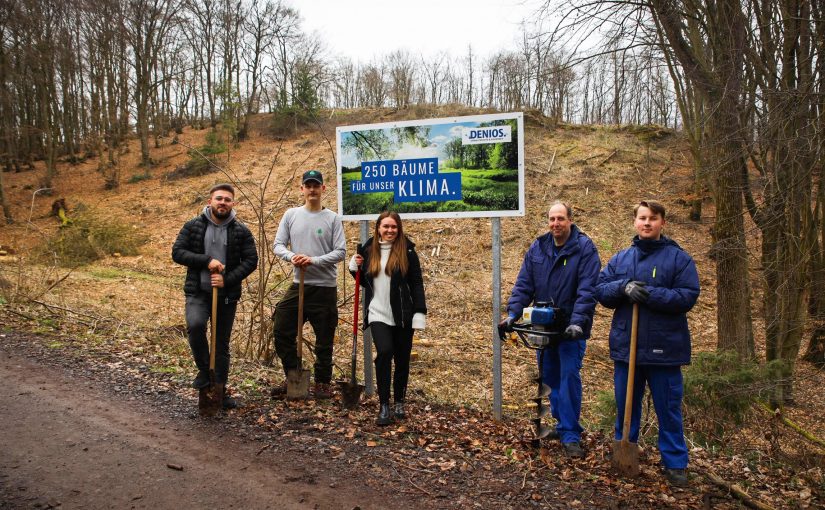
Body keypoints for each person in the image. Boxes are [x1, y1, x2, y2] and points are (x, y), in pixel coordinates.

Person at [594, 200, 700, 487]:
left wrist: (649, 294)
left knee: (668, 408)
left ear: (662, 222)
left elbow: (687, 296)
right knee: (625, 405)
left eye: (653, 218)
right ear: (635, 222)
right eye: (642, 218)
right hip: (627, 347)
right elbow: (601, 290)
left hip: (664, 349)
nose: (647, 223)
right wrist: (623, 287)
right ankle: (626, 450)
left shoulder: (679, 259)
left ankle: (675, 463)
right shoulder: (621, 259)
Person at [500, 201, 600, 457]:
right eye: (552, 219)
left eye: (560, 219)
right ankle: (560, 423)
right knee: (551, 379)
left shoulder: (584, 248)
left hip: (570, 329)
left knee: (568, 379)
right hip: (543, 327)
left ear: (570, 220)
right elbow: (524, 284)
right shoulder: (539, 247)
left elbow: (587, 290)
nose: (556, 224)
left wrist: (578, 322)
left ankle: (570, 434)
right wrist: (513, 314)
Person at [172, 183, 258, 409]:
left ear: (233, 204)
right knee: (196, 326)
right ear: (210, 201)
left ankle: (219, 390)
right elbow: (178, 252)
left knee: (221, 345)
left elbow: (251, 261)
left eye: (227, 199)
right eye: (219, 198)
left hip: (226, 295)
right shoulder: (193, 226)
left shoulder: (241, 231)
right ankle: (204, 373)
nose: (223, 202)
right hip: (198, 292)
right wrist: (206, 260)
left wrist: (227, 279)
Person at [272, 170, 346, 399]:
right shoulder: (291, 214)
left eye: (316, 185)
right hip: (299, 284)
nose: (312, 189)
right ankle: (294, 376)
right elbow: (278, 245)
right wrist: (292, 257)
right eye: (308, 185)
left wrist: (313, 260)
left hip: (324, 287)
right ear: (302, 189)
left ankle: (323, 383)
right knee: (282, 327)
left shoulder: (332, 218)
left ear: (323, 189)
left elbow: (340, 251)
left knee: (324, 338)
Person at [349, 211, 426, 425]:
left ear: (398, 229)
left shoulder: (408, 252)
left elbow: (417, 283)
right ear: (378, 228)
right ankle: (384, 405)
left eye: (394, 227)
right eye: (386, 227)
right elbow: (364, 282)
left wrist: (420, 312)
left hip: (403, 314)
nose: (390, 230)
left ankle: (399, 401)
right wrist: (353, 267)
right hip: (377, 312)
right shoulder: (368, 249)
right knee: (384, 353)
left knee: (402, 359)